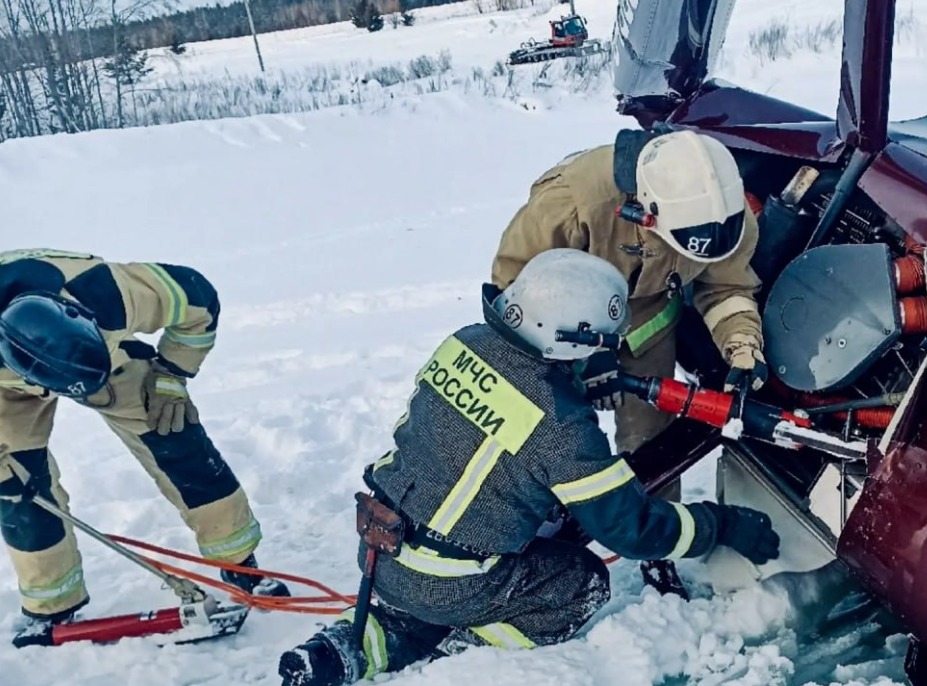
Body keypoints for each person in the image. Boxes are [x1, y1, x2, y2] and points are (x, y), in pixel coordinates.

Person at [278, 249, 779, 686]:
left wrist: (573, 379)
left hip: (383, 548)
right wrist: (722, 526)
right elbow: (632, 530)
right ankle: (465, 655)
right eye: (601, 344)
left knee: (421, 599)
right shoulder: (561, 427)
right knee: (578, 580)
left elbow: (503, 413)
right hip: (454, 578)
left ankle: (346, 646)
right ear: (570, 341)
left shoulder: (466, 341)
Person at [489, 128, 769, 598]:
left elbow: (726, 287)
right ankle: (525, 533)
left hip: (646, 318)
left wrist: (742, 348)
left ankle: (656, 552)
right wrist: (586, 356)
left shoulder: (726, 216)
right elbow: (514, 288)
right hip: (555, 322)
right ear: (645, 212)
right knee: (547, 435)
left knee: (653, 439)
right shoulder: (573, 201)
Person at [0, 248, 288, 648]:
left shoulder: (110, 293)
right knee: (16, 487)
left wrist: (171, 374)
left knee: (175, 436)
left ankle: (240, 562)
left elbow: (200, 299)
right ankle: (52, 604)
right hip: (5, 391)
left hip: (105, 359)